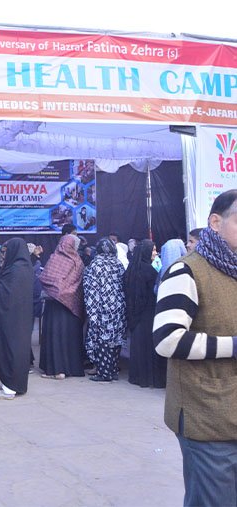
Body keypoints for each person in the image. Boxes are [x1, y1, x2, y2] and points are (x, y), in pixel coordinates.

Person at [153, 189, 237, 507]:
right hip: (207, 415)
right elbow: (167, 339)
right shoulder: (186, 271)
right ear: (215, 222)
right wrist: (233, 346)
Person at [0, 238, 34, 400]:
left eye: (6, 251)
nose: (4, 255)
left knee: (9, 349)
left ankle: (9, 388)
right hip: (22, 318)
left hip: (11, 319)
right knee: (20, 350)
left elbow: (8, 294)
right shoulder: (26, 267)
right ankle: (18, 385)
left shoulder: (15, 270)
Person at [39, 234, 85, 379]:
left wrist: (57, 291)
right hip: (72, 306)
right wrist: (66, 293)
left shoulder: (54, 259)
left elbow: (44, 278)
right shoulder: (78, 262)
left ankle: (56, 369)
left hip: (54, 306)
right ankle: (72, 368)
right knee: (70, 337)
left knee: (55, 336)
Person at [83, 237, 127, 382]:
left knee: (102, 339)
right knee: (115, 339)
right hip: (118, 307)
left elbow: (90, 289)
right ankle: (113, 370)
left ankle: (104, 373)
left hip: (102, 308)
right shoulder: (118, 263)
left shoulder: (95, 264)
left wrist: (91, 311)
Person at [124, 239, 166, 388]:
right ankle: (151, 378)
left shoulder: (131, 269)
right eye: (153, 250)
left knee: (138, 344)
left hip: (134, 314)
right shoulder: (150, 270)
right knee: (149, 346)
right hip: (149, 313)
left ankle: (138, 376)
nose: (155, 253)